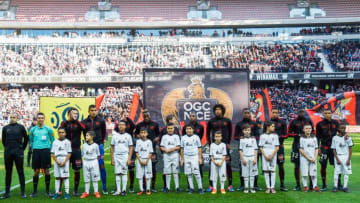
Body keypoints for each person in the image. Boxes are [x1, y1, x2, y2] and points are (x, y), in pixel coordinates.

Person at [1, 113, 28, 199]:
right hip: (8, 152)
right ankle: (7, 193)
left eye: (14, 117)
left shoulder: (21, 127)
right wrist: (8, 148)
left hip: (18, 152)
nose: (12, 118)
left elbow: (26, 138)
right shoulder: (5, 128)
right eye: (11, 117)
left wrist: (22, 148)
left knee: (20, 172)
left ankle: (23, 192)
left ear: (17, 118)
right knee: (8, 172)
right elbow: (4, 140)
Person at [206, 104, 233, 192]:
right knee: (212, 166)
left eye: (219, 109)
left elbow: (230, 132)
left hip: (225, 145)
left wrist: (228, 143)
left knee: (228, 165)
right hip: (214, 145)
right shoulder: (211, 121)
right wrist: (210, 144)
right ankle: (211, 186)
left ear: (222, 110)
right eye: (216, 109)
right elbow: (207, 134)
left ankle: (230, 185)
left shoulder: (227, 121)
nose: (217, 111)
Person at [82, 105, 108, 194]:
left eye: (95, 110)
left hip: (99, 145)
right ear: (88, 111)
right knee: (88, 166)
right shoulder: (84, 122)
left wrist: (101, 142)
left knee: (101, 166)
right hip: (88, 146)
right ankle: (87, 189)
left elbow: (104, 132)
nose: (94, 112)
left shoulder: (101, 121)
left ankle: (104, 187)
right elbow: (84, 133)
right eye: (92, 110)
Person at [60, 108, 85, 196]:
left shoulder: (78, 123)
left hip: (76, 150)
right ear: (69, 114)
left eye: (76, 113)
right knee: (63, 170)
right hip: (65, 150)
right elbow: (60, 132)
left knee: (77, 170)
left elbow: (84, 129)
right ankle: (59, 190)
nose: (75, 115)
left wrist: (77, 121)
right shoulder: (64, 123)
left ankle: (75, 190)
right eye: (73, 113)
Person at [29, 112, 55, 197]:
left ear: (44, 119)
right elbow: (30, 140)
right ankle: (34, 191)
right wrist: (34, 146)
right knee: (36, 172)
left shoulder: (48, 129)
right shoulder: (32, 130)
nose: (40, 119)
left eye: (42, 118)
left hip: (45, 151)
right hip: (36, 151)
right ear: (37, 119)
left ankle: (47, 191)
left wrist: (49, 148)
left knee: (47, 171)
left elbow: (53, 140)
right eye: (39, 118)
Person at [234, 108, 260, 191]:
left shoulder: (254, 124)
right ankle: (242, 185)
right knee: (242, 168)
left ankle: (255, 185)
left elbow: (258, 135)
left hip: (252, 149)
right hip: (243, 149)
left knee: (254, 167)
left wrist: (253, 137)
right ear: (242, 114)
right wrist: (240, 137)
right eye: (245, 113)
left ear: (250, 114)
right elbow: (235, 136)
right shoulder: (239, 124)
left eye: (248, 113)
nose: (246, 114)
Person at [288, 109, 314, 191]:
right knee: (297, 165)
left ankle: (311, 184)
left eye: (303, 112)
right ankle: (298, 184)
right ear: (298, 113)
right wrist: (297, 135)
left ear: (304, 113)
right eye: (300, 112)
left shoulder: (309, 120)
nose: (301, 113)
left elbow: (313, 131)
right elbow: (288, 133)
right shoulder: (293, 121)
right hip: (296, 145)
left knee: (310, 164)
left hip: (308, 145)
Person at [134, 109, 160, 192]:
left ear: (150, 116)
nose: (146, 118)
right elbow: (136, 134)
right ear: (143, 117)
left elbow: (158, 134)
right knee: (141, 169)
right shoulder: (139, 125)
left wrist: (157, 138)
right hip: (141, 150)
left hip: (152, 149)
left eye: (147, 116)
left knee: (152, 168)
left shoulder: (155, 124)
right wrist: (138, 136)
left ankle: (152, 186)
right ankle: (143, 187)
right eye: (144, 116)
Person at [316, 109, 340, 191]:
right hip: (324, 148)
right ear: (323, 114)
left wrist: (345, 135)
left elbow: (340, 133)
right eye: (325, 113)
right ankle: (324, 185)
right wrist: (318, 148)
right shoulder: (319, 124)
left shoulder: (336, 123)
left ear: (331, 114)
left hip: (334, 148)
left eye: (328, 113)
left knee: (336, 165)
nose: (327, 114)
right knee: (323, 165)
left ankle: (338, 184)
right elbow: (318, 137)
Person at [110, 120, 133, 196]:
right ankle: (118, 190)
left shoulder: (128, 136)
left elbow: (131, 148)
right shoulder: (115, 136)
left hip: (125, 156)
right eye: (120, 125)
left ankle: (123, 190)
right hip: (116, 156)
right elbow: (112, 147)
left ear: (125, 126)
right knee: (117, 173)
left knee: (124, 173)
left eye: (123, 125)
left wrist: (129, 159)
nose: (121, 126)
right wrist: (112, 158)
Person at [180, 125, 204, 194]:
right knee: (189, 173)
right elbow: (182, 148)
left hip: (194, 157)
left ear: (193, 130)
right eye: (187, 129)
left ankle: (200, 188)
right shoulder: (183, 138)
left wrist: (200, 158)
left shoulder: (196, 137)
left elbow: (199, 148)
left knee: (196, 173)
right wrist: (182, 159)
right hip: (186, 157)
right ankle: (191, 188)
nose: (188, 130)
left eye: (190, 129)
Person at [160, 114, 180, 192]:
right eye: (169, 128)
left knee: (175, 171)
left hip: (175, 155)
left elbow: (178, 146)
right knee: (167, 172)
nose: (170, 130)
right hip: (166, 156)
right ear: (167, 129)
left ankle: (177, 187)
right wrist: (165, 150)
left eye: (171, 128)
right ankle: (167, 187)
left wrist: (171, 149)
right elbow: (161, 146)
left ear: (173, 129)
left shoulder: (176, 136)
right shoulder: (164, 137)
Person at [269, 109, 288, 191]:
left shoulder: (282, 123)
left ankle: (282, 184)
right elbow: (263, 134)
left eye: (276, 113)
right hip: (269, 148)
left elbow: (286, 135)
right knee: (269, 166)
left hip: (280, 147)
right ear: (271, 113)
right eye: (273, 112)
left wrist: (278, 137)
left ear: (278, 114)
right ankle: (270, 185)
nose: (274, 114)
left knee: (280, 166)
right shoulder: (267, 123)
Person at [331, 124, 353, 193]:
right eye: (341, 128)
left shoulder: (348, 138)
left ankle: (345, 187)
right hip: (338, 156)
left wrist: (349, 159)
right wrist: (337, 159)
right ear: (338, 129)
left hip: (346, 156)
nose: (343, 129)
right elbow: (334, 149)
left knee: (346, 172)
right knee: (336, 172)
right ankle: (335, 186)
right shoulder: (334, 138)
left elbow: (350, 148)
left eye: (344, 128)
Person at [51, 128, 72, 199]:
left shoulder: (68, 142)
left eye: (63, 132)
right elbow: (52, 153)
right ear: (58, 133)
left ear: (65, 133)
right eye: (59, 132)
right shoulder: (55, 142)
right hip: (57, 160)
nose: (61, 134)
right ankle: (57, 192)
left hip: (64, 160)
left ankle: (67, 193)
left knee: (65, 177)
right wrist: (56, 161)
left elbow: (69, 153)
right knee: (57, 177)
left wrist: (64, 162)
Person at [259, 121, 279, 194]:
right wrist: (265, 155)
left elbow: (277, 147)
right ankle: (268, 187)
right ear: (267, 127)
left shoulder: (275, 136)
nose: (274, 128)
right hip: (265, 155)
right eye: (272, 126)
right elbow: (260, 147)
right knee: (266, 171)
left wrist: (272, 155)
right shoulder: (262, 136)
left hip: (273, 155)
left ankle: (272, 187)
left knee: (273, 171)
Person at [299, 124, 320, 192]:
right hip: (304, 158)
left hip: (313, 158)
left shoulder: (314, 138)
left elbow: (316, 148)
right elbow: (301, 149)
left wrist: (315, 157)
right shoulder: (301, 138)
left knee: (314, 173)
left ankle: (314, 186)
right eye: (306, 128)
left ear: (311, 129)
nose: (308, 129)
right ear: (303, 130)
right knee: (304, 173)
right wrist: (308, 157)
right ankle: (305, 186)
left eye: (309, 128)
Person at [80, 131, 101, 199]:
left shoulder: (96, 145)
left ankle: (96, 192)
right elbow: (82, 154)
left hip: (94, 162)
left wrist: (94, 161)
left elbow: (98, 155)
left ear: (92, 137)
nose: (86, 137)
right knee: (86, 178)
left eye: (87, 135)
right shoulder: (84, 145)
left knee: (95, 178)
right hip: (86, 162)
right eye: (86, 135)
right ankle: (86, 192)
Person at [239, 124, 258, 194]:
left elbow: (255, 149)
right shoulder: (241, 139)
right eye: (245, 130)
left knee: (252, 173)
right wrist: (242, 159)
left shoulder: (253, 138)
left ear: (250, 131)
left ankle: (252, 187)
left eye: (248, 130)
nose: (247, 131)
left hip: (252, 157)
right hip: (245, 157)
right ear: (243, 131)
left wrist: (255, 158)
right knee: (245, 173)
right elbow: (240, 150)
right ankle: (246, 187)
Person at [135, 128, 153, 195]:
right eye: (141, 132)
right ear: (139, 134)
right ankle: (141, 189)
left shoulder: (149, 142)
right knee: (140, 175)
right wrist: (140, 160)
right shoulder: (138, 141)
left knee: (148, 175)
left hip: (147, 160)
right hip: (140, 160)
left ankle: (148, 189)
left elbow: (150, 152)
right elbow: (136, 152)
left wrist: (147, 160)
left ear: (147, 134)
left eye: (144, 132)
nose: (143, 134)